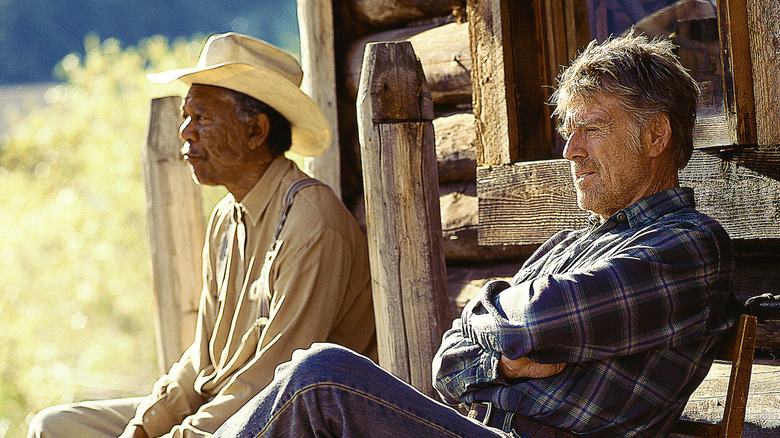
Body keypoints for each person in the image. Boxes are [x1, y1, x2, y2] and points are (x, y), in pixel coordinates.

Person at [211, 33, 738, 438]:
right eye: (568, 131)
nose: (570, 150)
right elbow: (447, 364)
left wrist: (496, 327)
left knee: (321, 377)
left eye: (592, 129)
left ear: (655, 135)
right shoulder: (570, 246)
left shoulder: (687, 246)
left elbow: (538, 317)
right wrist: (506, 362)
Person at [28, 33, 376, 438]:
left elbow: (274, 385)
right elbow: (203, 357)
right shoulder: (227, 217)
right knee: (55, 427)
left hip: (280, 421)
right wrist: (143, 427)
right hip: (223, 411)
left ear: (256, 131)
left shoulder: (313, 224)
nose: (186, 133)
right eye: (185, 117)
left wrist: (182, 434)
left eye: (203, 119)